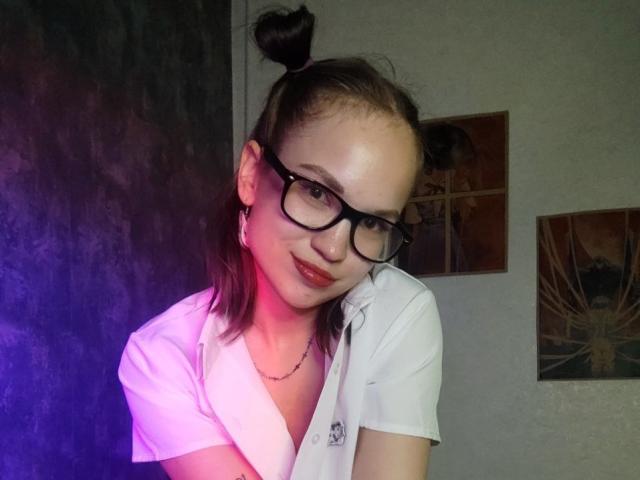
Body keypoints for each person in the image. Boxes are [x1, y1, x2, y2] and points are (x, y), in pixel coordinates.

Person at [118, 5, 442, 480]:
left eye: (373, 222)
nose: (335, 249)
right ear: (252, 174)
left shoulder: (397, 313)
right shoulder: (162, 356)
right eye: (317, 193)